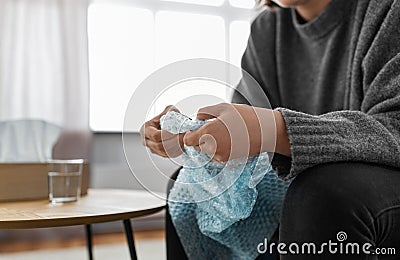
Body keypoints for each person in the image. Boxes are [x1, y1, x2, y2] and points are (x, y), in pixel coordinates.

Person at [141, 0, 400, 259]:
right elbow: (245, 129)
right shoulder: (267, 30)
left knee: (322, 194)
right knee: (192, 183)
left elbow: (395, 124)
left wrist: (275, 129)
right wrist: (197, 136)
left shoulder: (387, 9)